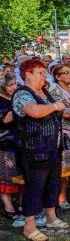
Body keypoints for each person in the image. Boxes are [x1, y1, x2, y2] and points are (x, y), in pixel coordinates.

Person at [12, 59, 69, 241]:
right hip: (32, 149)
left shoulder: (44, 91)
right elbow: (34, 111)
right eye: (40, 72)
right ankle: (30, 226)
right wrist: (54, 106)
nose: (44, 76)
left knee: (53, 183)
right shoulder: (22, 94)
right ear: (27, 73)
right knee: (34, 186)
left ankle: (51, 217)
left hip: (52, 147)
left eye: (45, 73)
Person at [51, 64, 70, 210]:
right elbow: (59, 112)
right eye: (65, 72)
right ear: (57, 76)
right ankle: (61, 197)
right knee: (64, 166)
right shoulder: (55, 91)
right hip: (63, 132)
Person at [0, 72, 21, 220]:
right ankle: (8, 206)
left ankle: (21, 203)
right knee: (6, 175)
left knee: (20, 174)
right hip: (5, 141)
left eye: (15, 84)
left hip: (20, 140)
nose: (14, 87)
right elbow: (6, 119)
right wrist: (20, 106)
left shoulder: (15, 96)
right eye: (10, 85)